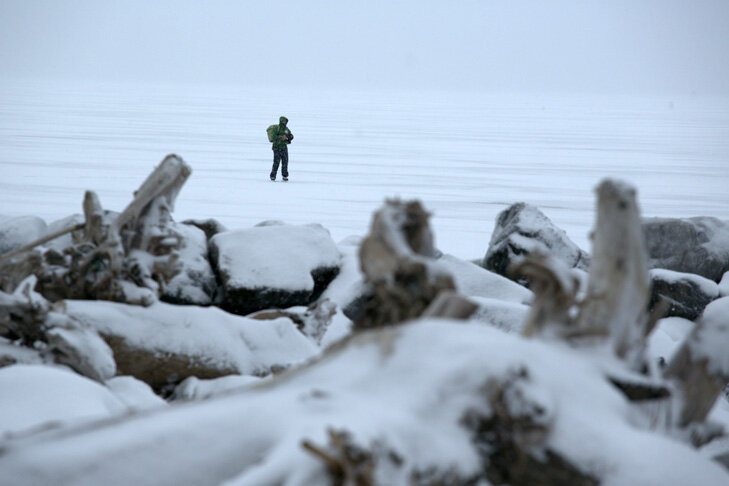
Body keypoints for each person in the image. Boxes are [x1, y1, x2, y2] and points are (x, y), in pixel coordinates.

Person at [270, 116, 293, 181]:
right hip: (277, 147)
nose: (285, 122)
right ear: (281, 121)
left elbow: (290, 135)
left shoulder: (286, 129)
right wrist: (282, 137)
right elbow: (274, 137)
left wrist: (290, 137)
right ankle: (273, 176)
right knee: (276, 162)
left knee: (285, 162)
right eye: (284, 121)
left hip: (284, 147)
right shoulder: (277, 128)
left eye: (286, 121)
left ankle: (284, 176)